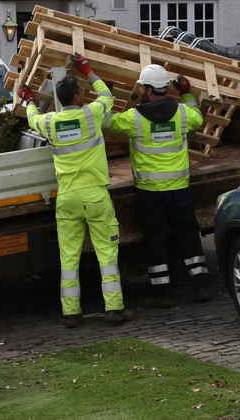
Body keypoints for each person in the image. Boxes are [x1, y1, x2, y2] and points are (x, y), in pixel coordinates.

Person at [25, 55, 134, 327]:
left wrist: (28, 99)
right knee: (106, 255)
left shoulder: (50, 122)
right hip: (95, 195)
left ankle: (71, 313)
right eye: (81, 91)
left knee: (69, 257)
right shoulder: (91, 114)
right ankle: (114, 309)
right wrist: (89, 71)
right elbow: (107, 96)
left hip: (68, 197)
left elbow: (32, 119)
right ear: (77, 95)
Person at [105, 64, 211, 307]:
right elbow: (198, 118)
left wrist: (107, 96)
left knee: (155, 239)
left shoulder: (134, 118)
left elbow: (108, 123)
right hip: (179, 189)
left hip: (150, 193)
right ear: (166, 88)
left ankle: (162, 291)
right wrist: (186, 93)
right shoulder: (183, 113)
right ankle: (201, 284)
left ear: (148, 89)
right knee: (188, 235)